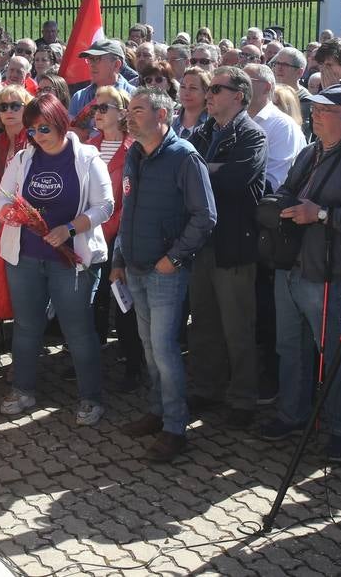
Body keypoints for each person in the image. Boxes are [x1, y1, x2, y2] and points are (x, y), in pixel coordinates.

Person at [259, 85, 341, 460]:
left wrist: (322, 215)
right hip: (293, 263)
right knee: (289, 346)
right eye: (315, 109)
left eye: (325, 110)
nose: (316, 115)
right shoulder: (310, 151)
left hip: (330, 272)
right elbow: (291, 191)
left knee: (334, 354)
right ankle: (293, 414)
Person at [110, 87, 216, 462]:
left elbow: (205, 216)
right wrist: (118, 260)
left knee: (166, 351)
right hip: (136, 268)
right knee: (150, 349)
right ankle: (157, 411)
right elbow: (127, 211)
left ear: (162, 116)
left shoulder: (185, 158)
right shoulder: (135, 154)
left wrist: (174, 257)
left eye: (138, 110)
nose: (129, 116)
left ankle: (175, 428)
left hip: (164, 272)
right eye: (129, 110)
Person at [0, 92, 114, 425]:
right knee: (27, 325)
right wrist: (10, 213)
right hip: (26, 257)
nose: (37, 137)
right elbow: (1, 201)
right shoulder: (22, 159)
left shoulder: (87, 157)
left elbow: (104, 207)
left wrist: (69, 230)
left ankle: (90, 397)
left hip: (71, 258)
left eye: (44, 129)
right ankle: (23, 389)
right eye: (32, 131)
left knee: (77, 328)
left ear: (61, 123)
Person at [185, 66, 267, 429]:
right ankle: (206, 387)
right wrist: (209, 170)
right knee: (203, 321)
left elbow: (235, 180)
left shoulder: (252, 134)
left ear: (239, 95)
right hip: (202, 243)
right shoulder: (203, 131)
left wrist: (205, 171)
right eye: (210, 88)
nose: (210, 94)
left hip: (234, 244)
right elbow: (185, 175)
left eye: (217, 88)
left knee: (238, 326)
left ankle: (243, 398)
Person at [87, 86, 143, 392]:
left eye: (104, 107)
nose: (97, 112)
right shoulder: (90, 145)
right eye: (96, 107)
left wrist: (106, 227)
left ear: (122, 113)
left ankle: (133, 366)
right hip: (92, 236)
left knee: (125, 307)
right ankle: (92, 362)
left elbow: (129, 199)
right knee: (94, 301)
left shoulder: (133, 148)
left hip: (118, 238)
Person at [244, 63, 302, 191]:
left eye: (246, 81)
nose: (239, 87)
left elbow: (275, 182)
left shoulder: (283, 126)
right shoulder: (238, 120)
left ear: (266, 87)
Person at [172, 66, 211, 141]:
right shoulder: (169, 122)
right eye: (183, 87)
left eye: (193, 88)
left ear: (206, 92)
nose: (186, 93)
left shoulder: (212, 126)